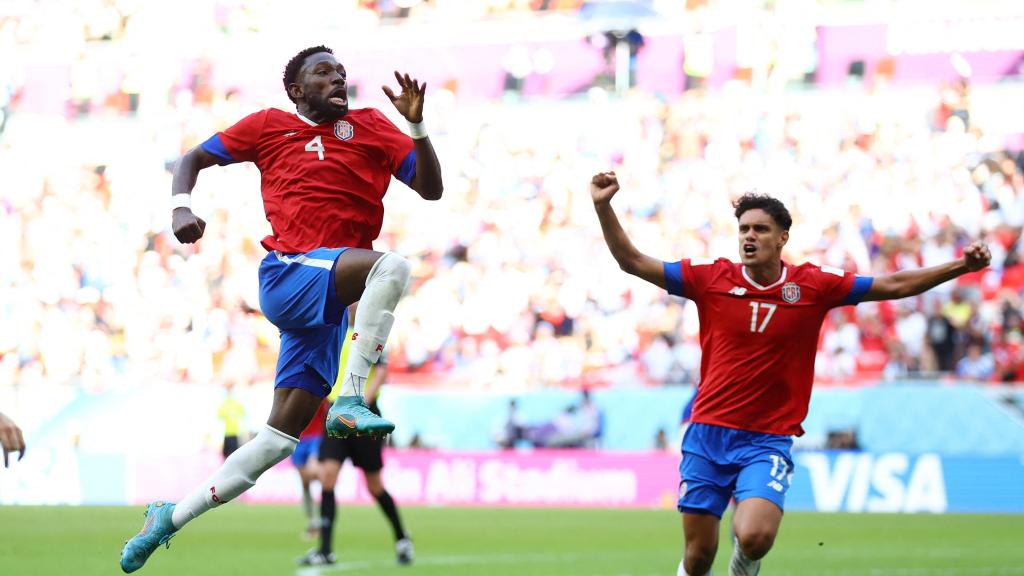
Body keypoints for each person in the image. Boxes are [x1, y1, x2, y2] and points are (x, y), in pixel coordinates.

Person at [120, 45, 442, 573]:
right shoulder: (269, 126)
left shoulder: (371, 126)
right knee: (392, 267)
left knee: (275, 442)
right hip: (290, 274)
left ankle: (168, 519)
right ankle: (350, 398)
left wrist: (417, 126)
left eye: (341, 72)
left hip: (327, 303)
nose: (337, 78)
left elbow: (431, 189)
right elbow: (192, 159)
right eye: (323, 72)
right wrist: (180, 207)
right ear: (296, 90)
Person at [589, 171, 991, 576]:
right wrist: (603, 206)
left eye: (760, 229)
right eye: (744, 229)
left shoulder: (813, 285)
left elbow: (895, 285)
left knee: (755, 536)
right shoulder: (710, 278)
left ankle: (743, 565)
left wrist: (960, 266)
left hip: (767, 438)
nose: (749, 236)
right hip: (708, 434)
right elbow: (632, 261)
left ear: (782, 238)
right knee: (698, 558)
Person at [301, 308, 412, 567]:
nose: (352, 305)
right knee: (328, 477)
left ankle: (401, 537)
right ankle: (325, 550)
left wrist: (361, 403)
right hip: (336, 414)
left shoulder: (374, 332)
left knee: (374, 486)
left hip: (363, 416)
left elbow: (381, 372)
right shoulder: (334, 332)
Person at [293, 400, 327, 540]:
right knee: (305, 483)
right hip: (298, 440)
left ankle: (325, 521)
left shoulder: (323, 394)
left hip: (316, 438)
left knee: (315, 472)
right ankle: (313, 523)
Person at [216, 384, 246, 459]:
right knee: (230, 456)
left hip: (234, 434)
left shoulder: (233, 403)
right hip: (228, 434)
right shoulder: (227, 403)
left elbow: (243, 417)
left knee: (230, 457)